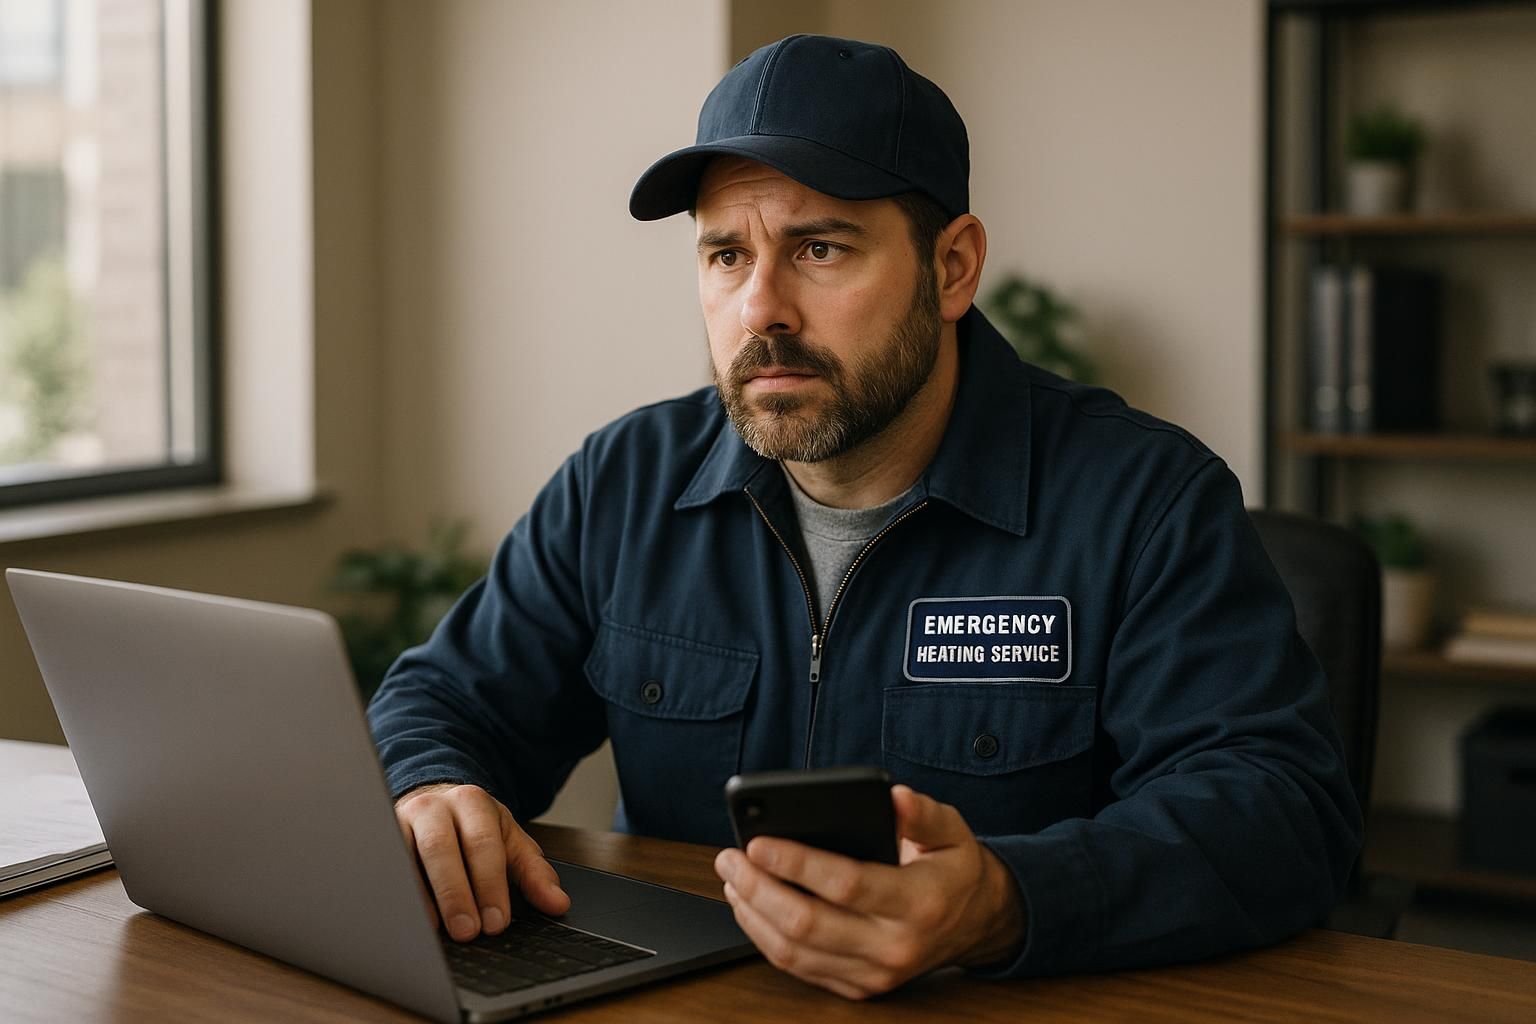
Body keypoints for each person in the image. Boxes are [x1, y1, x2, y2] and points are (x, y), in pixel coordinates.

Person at [367, 33, 1362, 1000]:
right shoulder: (623, 482)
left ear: (953, 268)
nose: (762, 309)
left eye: (821, 247)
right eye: (725, 256)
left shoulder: (1144, 500)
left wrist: (1006, 902)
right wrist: (429, 786)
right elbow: (441, 702)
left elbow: (1280, 810)